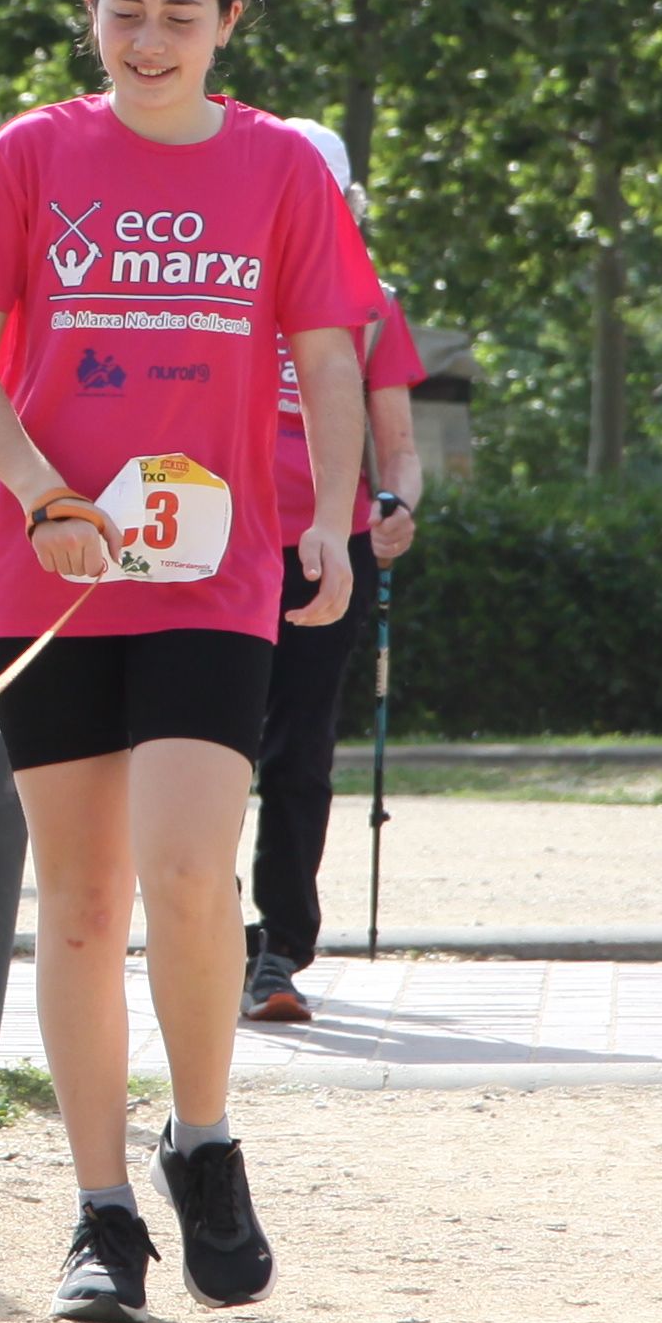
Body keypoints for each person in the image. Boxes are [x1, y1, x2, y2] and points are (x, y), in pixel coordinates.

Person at [0, 0, 375, 1323]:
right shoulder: (29, 157)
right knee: (80, 904)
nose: (150, 38)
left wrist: (329, 521)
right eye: (126, 10)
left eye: (182, 13)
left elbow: (328, 360)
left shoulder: (281, 174)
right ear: (90, 11)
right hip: (50, 569)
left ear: (230, 22)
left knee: (190, 875)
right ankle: (101, 1212)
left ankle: (205, 1135)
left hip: (211, 572)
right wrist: (46, 498)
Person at [243, 117, 426, 1024]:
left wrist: (398, 507)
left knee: (299, 748)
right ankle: (205, 929)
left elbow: (398, 445)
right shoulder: (230, 282)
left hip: (327, 541)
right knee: (200, 740)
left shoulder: (372, 302)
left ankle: (279, 946)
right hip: (220, 536)